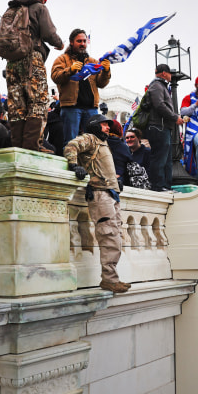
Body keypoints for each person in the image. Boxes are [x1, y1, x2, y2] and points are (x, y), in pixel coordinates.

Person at [64, 114, 131, 294]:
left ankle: (112, 278)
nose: (108, 128)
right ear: (94, 125)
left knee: (115, 236)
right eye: (104, 124)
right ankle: (109, 280)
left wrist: (116, 184)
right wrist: (73, 165)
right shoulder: (90, 139)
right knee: (108, 235)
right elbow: (71, 146)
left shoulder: (102, 143)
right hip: (100, 193)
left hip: (110, 193)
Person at [0, 0, 63, 150]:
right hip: (32, 58)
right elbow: (49, 33)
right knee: (38, 101)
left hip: (11, 62)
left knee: (16, 104)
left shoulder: (10, 10)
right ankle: (32, 146)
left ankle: (17, 146)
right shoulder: (39, 7)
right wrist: (59, 44)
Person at [50, 28, 110, 147]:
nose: (82, 44)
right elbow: (55, 76)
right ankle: (71, 164)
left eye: (84, 41)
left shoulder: (93, 62)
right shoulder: (62, 59)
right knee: (71, 142)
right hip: (71, 107)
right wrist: (70, 70)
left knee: (92, 142)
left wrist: (106, 71)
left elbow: (101, 84)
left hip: (91, 108)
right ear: (72, 42)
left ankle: (88, 165)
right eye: (79, 41)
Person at [146, 64, 184, 191]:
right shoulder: (156, 85)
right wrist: (175, 117)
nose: (171, 76)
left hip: (162, 127)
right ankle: (157, 186)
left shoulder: (160, 86)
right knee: (160, 158)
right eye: (170, 73)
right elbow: (159, 105)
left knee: (166, 159)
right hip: (158, 127)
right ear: (164, 73)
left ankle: (165, 186)